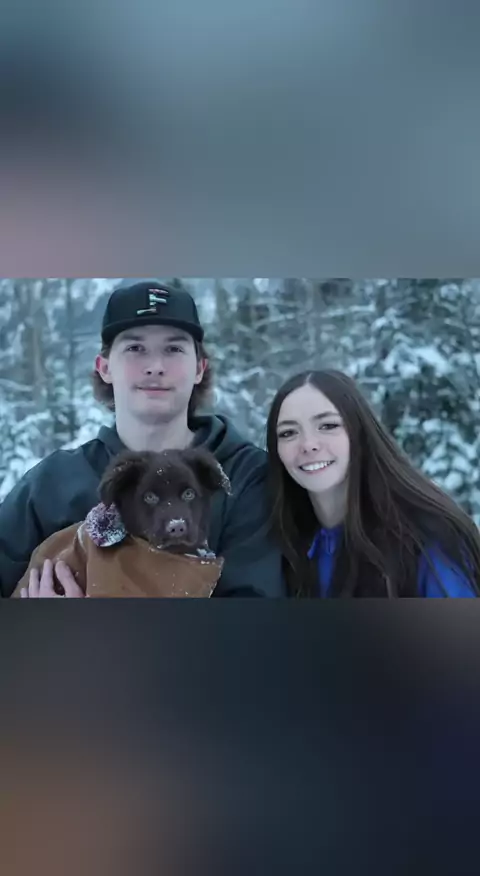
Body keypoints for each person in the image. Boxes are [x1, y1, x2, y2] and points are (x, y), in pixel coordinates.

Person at [0, 280, 286, 598]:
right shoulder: (53, 484)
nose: (155, 367)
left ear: (199, 368)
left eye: (173, 349)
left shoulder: (247, 476)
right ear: (104, 367)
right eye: (135, 348)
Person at [266, 369, 480, 597]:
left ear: (359, 431)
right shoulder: (278, 545)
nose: (308, 444)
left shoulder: (427, 540)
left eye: (328, 426)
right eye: (288, 433)